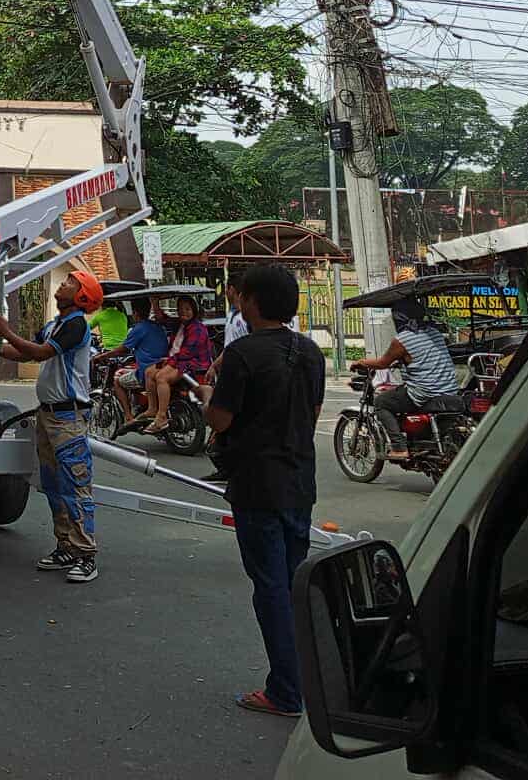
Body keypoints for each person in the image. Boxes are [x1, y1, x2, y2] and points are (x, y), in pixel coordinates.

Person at [208, 262, 326, 719]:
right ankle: (308, 682)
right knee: (293, 584)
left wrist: (207, 400)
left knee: (271, 588)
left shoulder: (242, 354)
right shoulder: (310, 351)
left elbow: (220, 420)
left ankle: (285, 691)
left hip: (257, 485)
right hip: (299, 481)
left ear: (251, 301)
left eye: (242, 294)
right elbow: (313, 412)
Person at [0, 268, 103, 584]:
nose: (63, 284)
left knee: (75, 486)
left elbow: (40, 353)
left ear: (81, 297)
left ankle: (86, 555)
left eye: (70, 283)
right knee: (54, 485)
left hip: (68, 417)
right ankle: (66, 547)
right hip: (49, 415)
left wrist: (6, 330)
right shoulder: (55, 325)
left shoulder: (76, 325)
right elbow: (23, 352)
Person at [353, 303, 460, 461]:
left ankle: (399, 447)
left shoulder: (403, 340)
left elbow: (382, 363)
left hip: (425, 392)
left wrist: (361, 362)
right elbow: (423, 357)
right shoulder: (434, 332)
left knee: (381, 401)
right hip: (449, 388)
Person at [140, 292, 213, 432]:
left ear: (194, 310)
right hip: (176, 360)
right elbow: (162, 319)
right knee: (149, 372)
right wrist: (155, 303)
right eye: (180, 309)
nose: (183, 312)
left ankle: (161, 417)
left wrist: (168, 361)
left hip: (191, 363)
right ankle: (152, 408)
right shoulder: (179, 324)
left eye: (187, 309)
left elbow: (187, 353)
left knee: (161, 377)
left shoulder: (198, 328)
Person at [111, 296, 169, 428]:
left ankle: (128, 417)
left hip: (147, 371)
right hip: (162, 367)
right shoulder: (158, 326)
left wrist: (102, 356)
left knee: (117, 379)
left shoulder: (138, 328)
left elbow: (123, 349)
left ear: (135, 313)